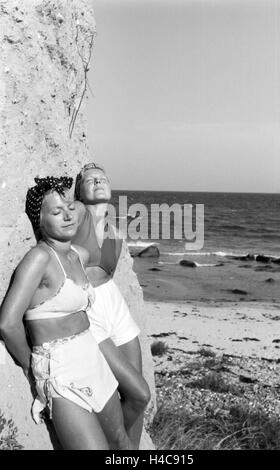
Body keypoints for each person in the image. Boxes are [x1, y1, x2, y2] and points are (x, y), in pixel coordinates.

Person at [0, 176, 133, 450]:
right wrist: (31, 366)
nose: (67, 216)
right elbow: (8, 323)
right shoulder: (39, 258)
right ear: (40, 221)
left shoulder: (78, 255)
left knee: (120, 441)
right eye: (56, 212)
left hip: (93, 358)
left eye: (69, 208)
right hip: (61, 370)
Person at [73, 163, 150, 449]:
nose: (97, 182)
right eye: (90, 180)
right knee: (137, 393)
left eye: (102, 178)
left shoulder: (115, 232)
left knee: (137, 394)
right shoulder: (76, 216)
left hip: (113, 303)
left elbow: (104, 275)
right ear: (79, 192)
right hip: (86, 308)